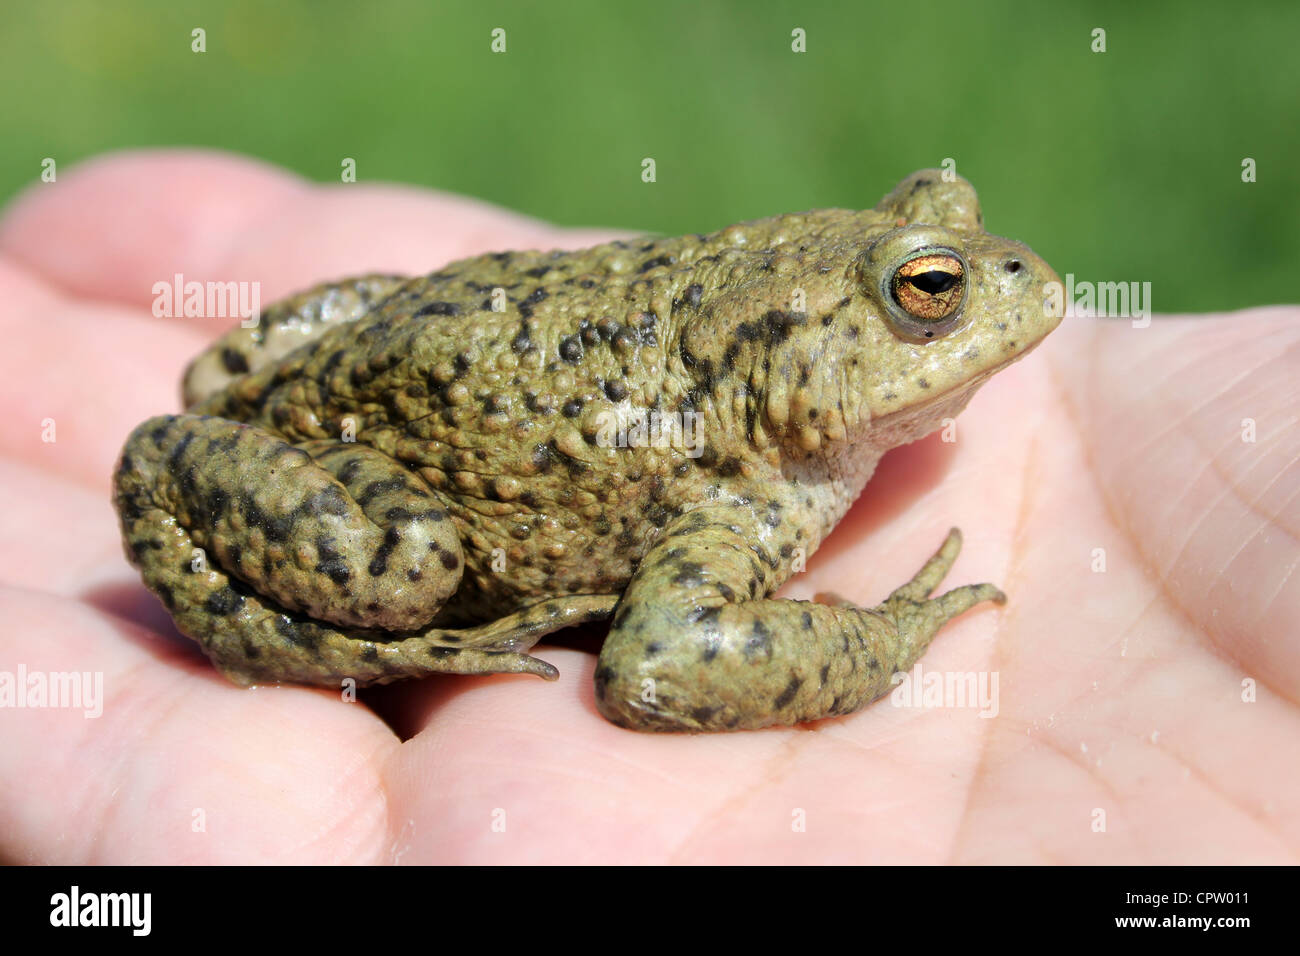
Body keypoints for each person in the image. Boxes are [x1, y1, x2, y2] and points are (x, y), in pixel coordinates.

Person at [0, 151, 1294, 863]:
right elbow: (661, 663)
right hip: (395, 453)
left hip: (431, 333)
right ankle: (329, 623)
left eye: (939, 258)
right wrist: (875, 645)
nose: (1004, 285)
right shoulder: (741, 486)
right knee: (400, 562)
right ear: (815, 356)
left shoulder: (769, 441)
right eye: (933, 289)